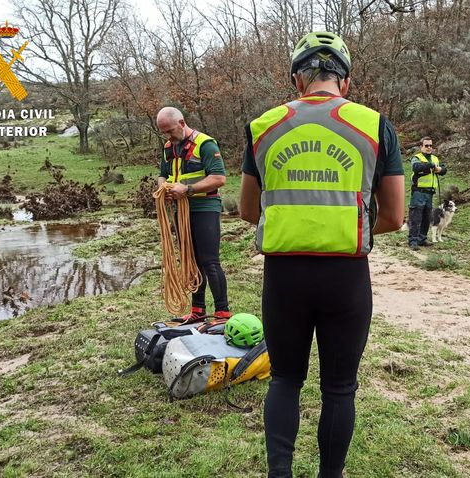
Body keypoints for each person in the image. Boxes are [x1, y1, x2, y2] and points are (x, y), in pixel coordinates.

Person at [238, 32, 404, 478]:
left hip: (283, 276)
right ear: (345, 83)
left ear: (298, 80)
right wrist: (346, 228)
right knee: (339, 389)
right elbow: (394, 215)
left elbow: (247, 210)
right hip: (346, 278)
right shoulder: (374, 125)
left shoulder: (263, 125)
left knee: (285, 380)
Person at [156, 106, 230, 323]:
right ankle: (197, 311)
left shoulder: (205, 144)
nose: (168, 136)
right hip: (182, 210)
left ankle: (222, 313)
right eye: (164, 133)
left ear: (181, 123)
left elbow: (219, 178)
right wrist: (165, 188)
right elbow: (163, 175)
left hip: (205, 207)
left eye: (170, 131)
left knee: (209, 261)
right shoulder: (169, 147)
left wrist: (187, 190)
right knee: (191, 261)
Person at [407, 137, 447, 250]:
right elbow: (416, 167)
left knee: (426, 217)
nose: (429, 147)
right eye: (426, 145)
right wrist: (431, 166)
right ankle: (413, 241)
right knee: (415, 217)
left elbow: (444, 169)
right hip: (419, 192)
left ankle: (422, 239)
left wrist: (440, 169)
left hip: (430, 193)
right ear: (421, 147)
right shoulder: (417, 158)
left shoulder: (435, 158)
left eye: (430, 145)